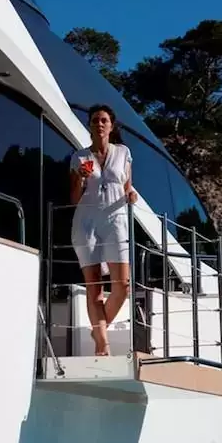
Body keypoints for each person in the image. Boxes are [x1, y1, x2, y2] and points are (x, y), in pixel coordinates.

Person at [70, 104, 137, 356]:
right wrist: (79, 178)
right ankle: (102, 343)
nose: (99, 123)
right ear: (89, 126)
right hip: (86, 221)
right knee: (94, 287)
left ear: (111, 125)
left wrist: (131, 194)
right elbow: (74, 198)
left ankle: (98, 330)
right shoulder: (79, 157)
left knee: (123, 286)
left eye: (104, 120)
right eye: (95, 120)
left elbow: (127, 186)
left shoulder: (123, 152)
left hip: (116, 220)